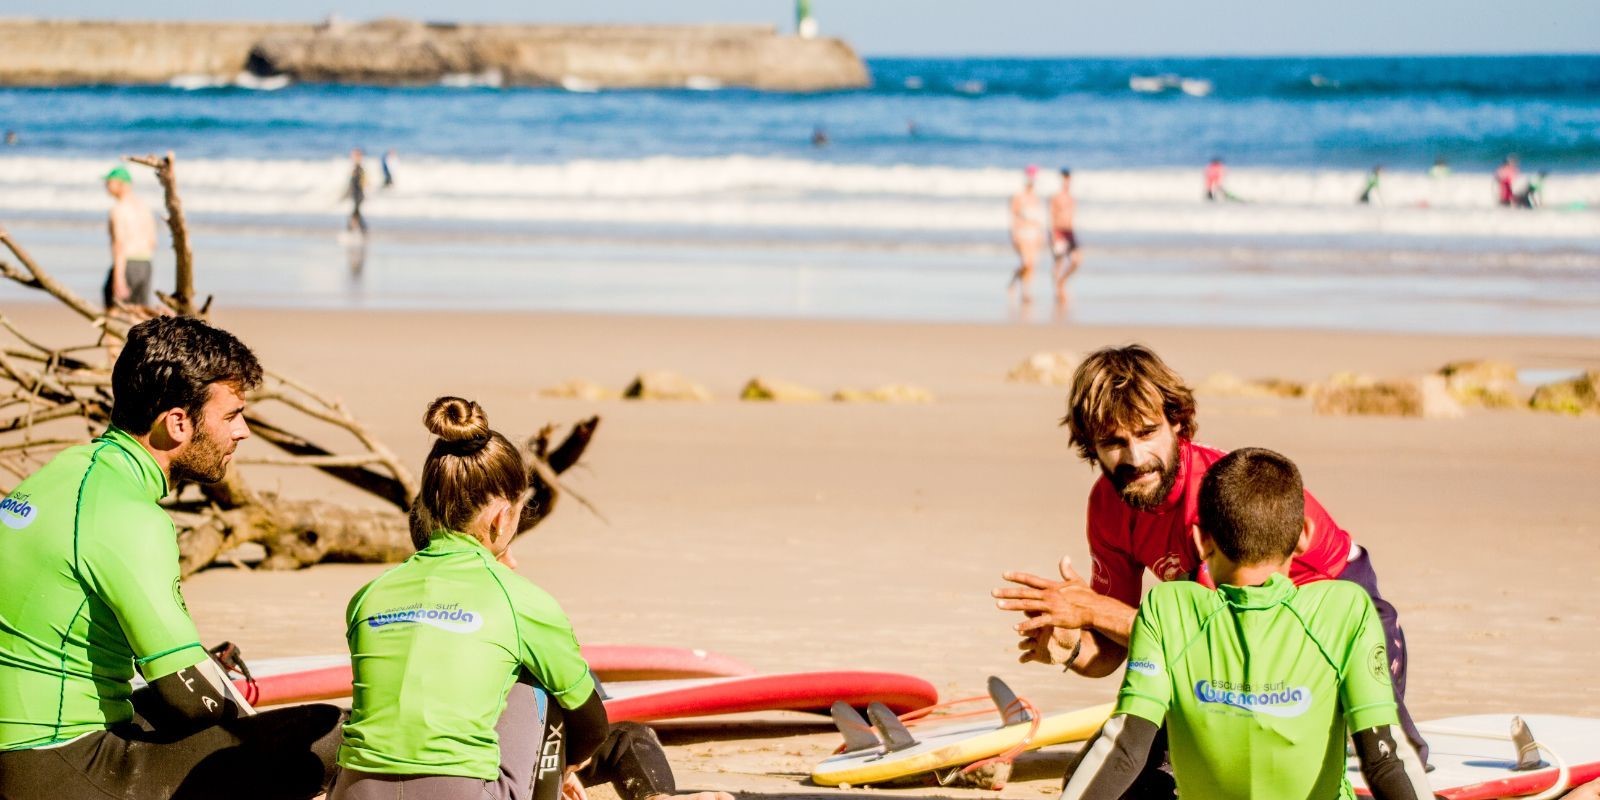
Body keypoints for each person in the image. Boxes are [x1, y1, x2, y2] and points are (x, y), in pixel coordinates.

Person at [991, 345, 1428, 781]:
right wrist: (1070, 647)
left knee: (1389, 766)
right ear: (1091, 446)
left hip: (1337, 618)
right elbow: (1123, 649)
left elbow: (1209, 640)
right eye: (1113, 443)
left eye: (1147, 433)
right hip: (1237, 640)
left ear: (1178, 422)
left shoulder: (1214, 495)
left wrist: (1092, 609)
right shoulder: (1107, 506)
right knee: (1132, 780)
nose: (1135, 458)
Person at [0, 316, 343, 800]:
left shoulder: (59, 475)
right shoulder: (132, 518)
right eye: (231, 416)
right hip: (52, 764)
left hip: (20, 744)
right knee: (328, 735)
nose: (242, 432)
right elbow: (191, 702)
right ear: (178, 423)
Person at [333, 397, 731, 800]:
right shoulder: (520, 598)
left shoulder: (369, 596)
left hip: (354, 792)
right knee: (537, 681)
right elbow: (592, 725)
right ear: (501, 517)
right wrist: (562, 767)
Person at [1058, 448, 1432, 799]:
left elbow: (1124, 748)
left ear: (1201, 539)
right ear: (1304, 534)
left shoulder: (1168, 608)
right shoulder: (1344, 610)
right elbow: (1384, 758)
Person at [103, 163, 158, 311]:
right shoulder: (144, 208)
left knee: (111, 313)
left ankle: (113, 335)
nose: (106, 185)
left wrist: (118, 278)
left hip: (126, 264)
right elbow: (153, 242)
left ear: (121, 184)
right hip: (146, 264)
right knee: (140, 315)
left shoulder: (118, 210)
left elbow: (119, 244)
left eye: (109, 182)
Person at [1007, 165, 1045, 305]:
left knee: (1032, 264)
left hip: (1034, 234)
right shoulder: (1018, 197)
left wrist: (1041, 234)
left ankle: (1025, 291)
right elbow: (1013, 217)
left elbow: (1039, 219)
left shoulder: (1036, 198)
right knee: (1026, 263)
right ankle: (1020, 287)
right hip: (1022, 233)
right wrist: (1014, 234)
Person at [1049, 168, 1083, 304]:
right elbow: (1051, 216)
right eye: (1065, 179)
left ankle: (1062, 282)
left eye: (1068, 179)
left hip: (1070, 233)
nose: (1067, 182)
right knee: (1059, 262)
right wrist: (1053, 236)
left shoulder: (1072, 198)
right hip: (1058, 232)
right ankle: (1058, 290)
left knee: (1077, 260)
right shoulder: (1056, 197)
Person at [347, 147, 369, 234]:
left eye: (354, 156)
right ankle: (362, 231)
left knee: (355, 214)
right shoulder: (356, 169)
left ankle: (350, 231)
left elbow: (364, 183)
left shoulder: (359, 169)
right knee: (356, 214)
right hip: (356, 195)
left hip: (358, 195)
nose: (352, 157)